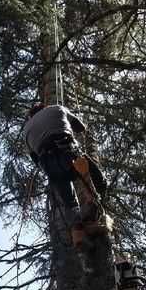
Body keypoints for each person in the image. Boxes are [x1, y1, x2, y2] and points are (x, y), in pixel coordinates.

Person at [23, 103, 106, 248]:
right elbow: (80, 127)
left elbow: (35, 159)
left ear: (31, 116)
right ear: (44, 107)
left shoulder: (26, 130)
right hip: (68, 152)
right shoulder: (56, 108)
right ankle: (92, 215)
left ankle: (78, 233)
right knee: (98, 181)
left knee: (69, 201)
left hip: (48, 164)